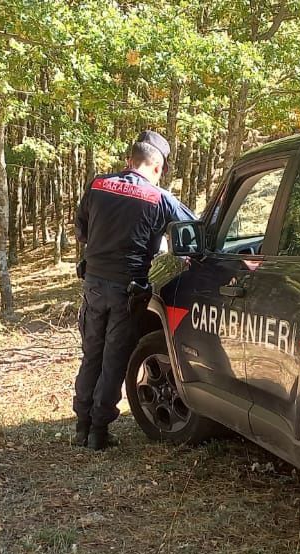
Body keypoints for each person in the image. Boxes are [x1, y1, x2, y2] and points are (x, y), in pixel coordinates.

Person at [72, 130, 196, 450]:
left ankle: (81, 426)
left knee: (91, 357)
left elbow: (82, 230)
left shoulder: (97, 185)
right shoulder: (160, 198)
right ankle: (99, 431)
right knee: (114, 360)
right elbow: (194, 234)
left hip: (94, 285)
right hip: (127, 292)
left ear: (130, 161)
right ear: (158, 168)